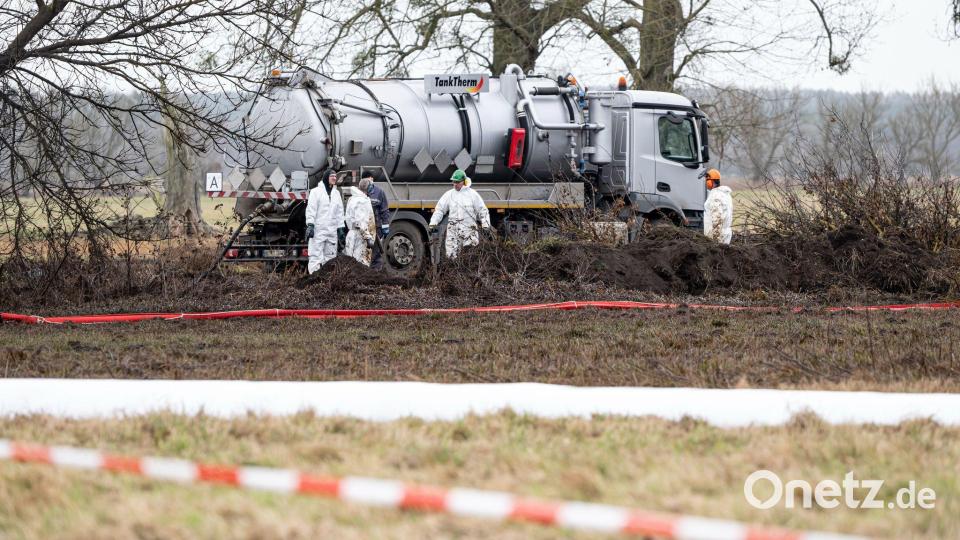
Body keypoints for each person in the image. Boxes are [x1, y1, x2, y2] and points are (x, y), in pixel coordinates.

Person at [428, 169, 491, 259]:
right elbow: (439, 210)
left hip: (469, 231)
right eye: (453, 182)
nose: (455, 184)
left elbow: (482, 210)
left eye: (457, 182)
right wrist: (433, 224)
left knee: (470, 257)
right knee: (451, 256)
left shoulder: (473, 194)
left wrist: (486, 225)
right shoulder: (449, 195)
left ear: (464, 181)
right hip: (453, 232)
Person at [305, 170, 345, 273]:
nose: (334, 178)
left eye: (335, 176)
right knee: (315, 257)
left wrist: (340, 228)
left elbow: (339, 212)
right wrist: (310, 225)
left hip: (332, 231)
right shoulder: (316, 192)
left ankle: (328, 280)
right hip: (319, 230)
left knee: (330, 258)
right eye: (332, 176)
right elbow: (311, 209)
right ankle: (314, 279)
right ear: (326, 177)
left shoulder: (336, 193)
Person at [360, 172, 390, 269]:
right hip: (363, 229)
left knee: (376, 254)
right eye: (367, 180)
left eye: (370, 179)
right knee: (363, 253)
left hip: (376, 229)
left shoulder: (379, 192)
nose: (370, 181)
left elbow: (384, 210)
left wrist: (385, 226)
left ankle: (376, 273)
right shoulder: (359, 193)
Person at [343, 186, 376, 266]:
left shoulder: (352, 198)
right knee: (360, 263)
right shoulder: (362, 201)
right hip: (359, 235)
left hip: (352, 233)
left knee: (349, 262)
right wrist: (368, 237)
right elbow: (360, 222)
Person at [703, 168, 733, 244]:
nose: (706, 183)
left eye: (707, 181)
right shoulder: (724, 194)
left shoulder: (715, 196)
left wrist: (715, 241)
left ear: (711, 181)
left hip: (717, 237)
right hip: (725, 234)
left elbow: (717, 219)